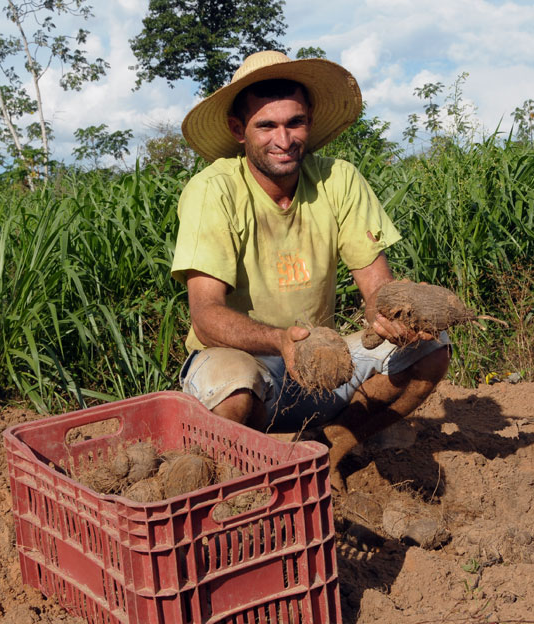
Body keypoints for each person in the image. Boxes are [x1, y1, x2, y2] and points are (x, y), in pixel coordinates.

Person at [171, 50, 450, 490]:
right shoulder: (214, 191)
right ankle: (237, 486)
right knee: (235, 387)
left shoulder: (338, 179)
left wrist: (389, 314)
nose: (284, 139)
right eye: (266, 126)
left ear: (310, 123)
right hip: (246, 365)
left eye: (294, 122)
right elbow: (206, 317)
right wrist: (279, 340)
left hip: (321, 364)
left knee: (431, 349)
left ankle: (330, 449)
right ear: (238, 130)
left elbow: (378, 285)